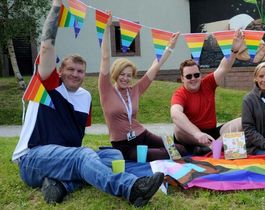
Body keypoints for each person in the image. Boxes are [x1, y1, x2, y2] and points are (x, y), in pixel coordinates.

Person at [12, 1, 164, 207]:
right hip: (33, 159)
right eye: (70, 70)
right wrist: (56, 6)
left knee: (112, 154)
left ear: (85, 74)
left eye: (80, 71)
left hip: (64, 159)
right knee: (84, 156)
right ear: (59, 72)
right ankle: (131, 188)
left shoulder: (85, 98)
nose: (75, 74)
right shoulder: (50, 85)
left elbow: (74, 141)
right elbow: (46, 46)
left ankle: (62, 186)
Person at [98, 12, 186, 161]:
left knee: (179, 149)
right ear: (115, 74)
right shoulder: (106, 90)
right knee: (164, 154)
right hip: (125, 146)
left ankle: (196, 148)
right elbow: (105, 57)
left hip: (142, 134)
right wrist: (106, 29)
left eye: (129, 75)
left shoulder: (135, 90)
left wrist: (169, 47)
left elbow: (155, 67)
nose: (125, 78)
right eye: (122, 74)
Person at [170, 30, 244, 155]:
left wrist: (234, 50)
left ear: (200, 75)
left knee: (243, 121)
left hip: (212, 133)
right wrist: (197, 133)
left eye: (196, 75)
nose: (193, 79)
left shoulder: (208, 83)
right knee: (178, 129)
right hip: (192, 135)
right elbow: (175, 114)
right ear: (182, 78)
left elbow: (224, 67)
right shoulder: (180, 93)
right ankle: (215, 146)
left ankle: (212, 147)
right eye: (188, 76)